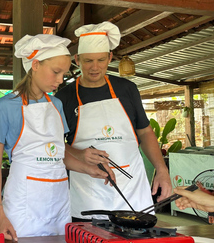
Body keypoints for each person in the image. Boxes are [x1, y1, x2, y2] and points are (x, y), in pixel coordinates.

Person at [0, 34, 114, 241]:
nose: (60, 80)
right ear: (35, 65)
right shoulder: (5, 107)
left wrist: (90, 170)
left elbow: (57, 153)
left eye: (64, 73)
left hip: (58, 198)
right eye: (56, 72)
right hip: (24, 201)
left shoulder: (56, 105)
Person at [55, 21, 172, 221]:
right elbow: (55, 143)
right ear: (77, 59)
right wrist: (79, 154)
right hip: (88, 190)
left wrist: (162, 170)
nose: (94, 67)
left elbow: (144, 131)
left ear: (110, 57)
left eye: (101, 59)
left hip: (132, 187)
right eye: (88, 61)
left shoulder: (127, 89)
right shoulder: (64, 96)